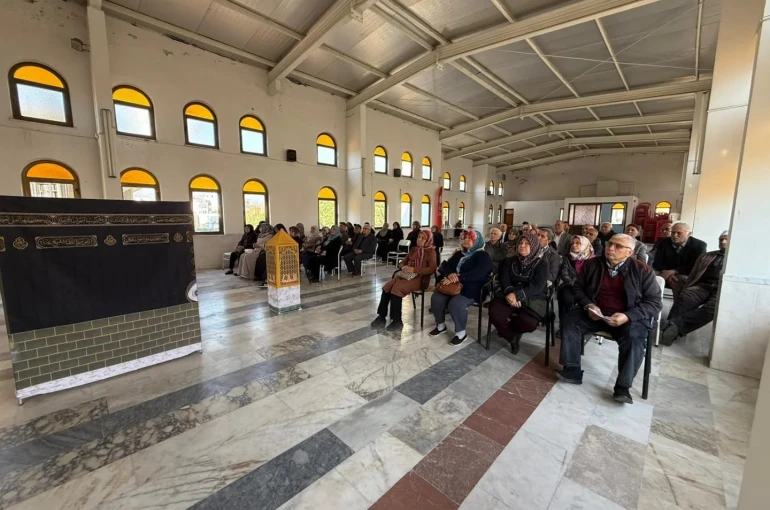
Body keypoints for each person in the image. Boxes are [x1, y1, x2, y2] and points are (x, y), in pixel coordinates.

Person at [557, 233, 662, 404]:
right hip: (596, 313)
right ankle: (572, 369)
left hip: (628, 318)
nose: (611, 249)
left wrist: (628, 316)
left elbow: (654, 303)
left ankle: (623, 387)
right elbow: (578, 288)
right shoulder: (592, 264)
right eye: (609, 244)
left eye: (618, 246)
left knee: (634, 338)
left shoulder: (643, 271)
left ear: (630, 252)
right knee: (570, 320)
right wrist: (588, 305)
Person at [660, 231, 728, 346]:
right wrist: (687, 286)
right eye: (721, 239)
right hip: (703, 286)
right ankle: (668, 329)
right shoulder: (707, 256)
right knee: (685, 298)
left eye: (726, 239)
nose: (723, 242)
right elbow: (693, 273)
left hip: (722, 290)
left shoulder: (737, 260)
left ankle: (676, 325)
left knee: (713, 308)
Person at [488, 232, 548, 354]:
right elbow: (505, 280)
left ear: (534, 246)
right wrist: (511, 294)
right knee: (494, 312)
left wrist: (518, 295)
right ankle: (512, 337)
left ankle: (509, 331)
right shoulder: (509, 261)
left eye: (527, 243)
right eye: (520, 243)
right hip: (508, 294)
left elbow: (537, 285)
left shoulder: (541, 264)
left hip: (531, 297)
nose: (522, 246)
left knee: (529, 323)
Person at [430, 230, 493, 346]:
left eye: (469, 238)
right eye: (464, 238)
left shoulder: (482, 256)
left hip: (472, 288)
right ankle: (440, 325)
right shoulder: (459, 254)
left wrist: (458, 277)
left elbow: (479, 273)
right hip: (453, 286)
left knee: (456, 304)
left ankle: (461, 332)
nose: (465, 240)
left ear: (476, 241)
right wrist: (450, 275)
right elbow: (446, 266)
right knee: (436, 298)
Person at [372, 229, 437, 331]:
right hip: (406, 275)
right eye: (418, 237)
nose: (419, 240)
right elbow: (403, 261)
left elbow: (432, 269)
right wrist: (403, 266)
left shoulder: (431, 252)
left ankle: (397, 321)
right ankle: (381, 316)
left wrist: (414, 269)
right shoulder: (414, 249)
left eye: (423, 238)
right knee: (387, 287)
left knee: (397, 289)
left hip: (421, 279)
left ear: (428, 240)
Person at [556, 236, 595, 336]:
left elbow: (592, 277)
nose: (574, 245)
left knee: (587, 298)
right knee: (566, 298)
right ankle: (564, 326)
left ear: (585, 245)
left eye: (578, 243)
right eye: (573, 243)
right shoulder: (567, 258)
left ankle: (582, 325)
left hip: (586, 287)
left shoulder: (593, 260)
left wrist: (581, 285)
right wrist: (575, 284)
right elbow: (564, 274)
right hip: (569, 285)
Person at [652, 221, 707, 289]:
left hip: (686, 273)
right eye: (673, 232)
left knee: (680, 280)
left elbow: (696, 266)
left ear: (689, 234)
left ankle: (679, 299)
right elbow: (658, 261)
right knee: (649, 276)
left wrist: (672, 272)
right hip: (664, 271)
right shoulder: (664, 242)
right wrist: (666, 272)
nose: (675, 235)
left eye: (679, 233)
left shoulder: (699, 245)